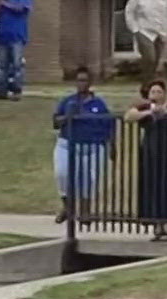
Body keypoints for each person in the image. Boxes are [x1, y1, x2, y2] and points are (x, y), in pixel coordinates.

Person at [127, 79, 167, 242]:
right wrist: (148, 113)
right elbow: (129, 115)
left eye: (159, 92)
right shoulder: (145, 107)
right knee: (152, 187)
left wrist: (165, 112)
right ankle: (157, 226)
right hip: (151, 152)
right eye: (153, 92)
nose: (156, 95)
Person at [53, 66, 115, 225]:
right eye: (79, 80)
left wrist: (112, 146)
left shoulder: (99, 103)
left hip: (92, 147)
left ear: (90, 83)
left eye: (85, 80)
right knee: (62, 174)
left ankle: (86, 211)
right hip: (67, 144)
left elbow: (109, 125)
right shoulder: (68, 101)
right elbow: (56, 122)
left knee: (89, 179)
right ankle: (68, 208)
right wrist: (68, 116)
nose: (82, 83)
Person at [124, 0, 167, 82]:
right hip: (144, 31)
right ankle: (147, 83)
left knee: (156, 61)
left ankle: (151, 84)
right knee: (150, 58)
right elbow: (129, 12)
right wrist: (135, 29)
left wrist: (166, 31)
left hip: (160, 33)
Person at [0, 0, 30, 101]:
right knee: (2, 66)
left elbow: (20, 9)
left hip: (17, 36)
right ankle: (2, 92)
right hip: (2, 36)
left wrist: (4, 4)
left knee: (17, 65)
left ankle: (17, 91)